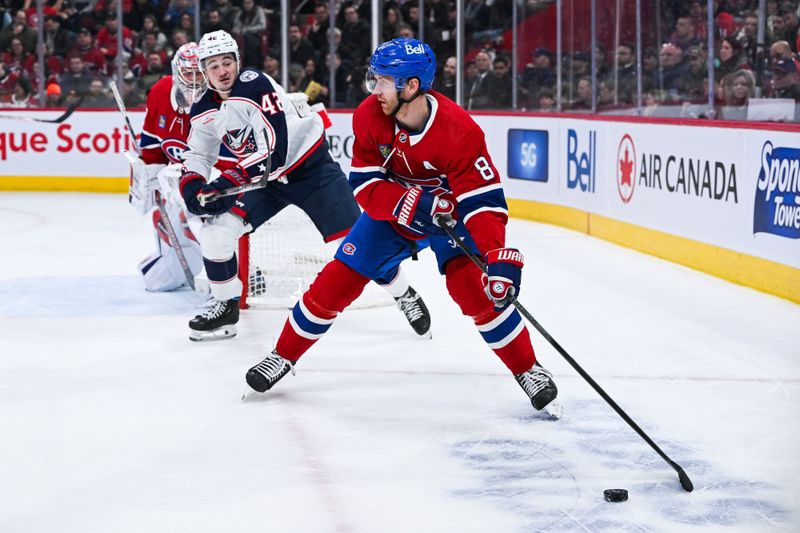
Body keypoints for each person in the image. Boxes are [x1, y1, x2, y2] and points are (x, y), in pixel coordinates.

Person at [244, 38, 559, 415]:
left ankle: (528, 369)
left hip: (450, 221)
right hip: (395, 216)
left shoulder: (461, 132)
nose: (374, 89)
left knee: (474, 291)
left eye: (383, 81)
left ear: (411, 86)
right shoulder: (368, 115)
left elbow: (483, 202)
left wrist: (495, 257)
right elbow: (363, 183)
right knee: (335, 282)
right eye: (373, 78)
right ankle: (283, 355)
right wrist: (409, 203)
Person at [179, 30, 431, 342]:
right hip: (266, 182)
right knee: (217, 233)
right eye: (214, 65)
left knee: (356, 247)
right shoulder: (204, 108)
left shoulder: (254, 84)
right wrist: (191, 185)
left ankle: (403, 294)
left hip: (311, 170)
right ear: (205, 72)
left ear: (238, 62)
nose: (222, 70)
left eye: (227, 62)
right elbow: (198, 153)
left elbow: (275, 149)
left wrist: (222, 185)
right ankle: (225, 307)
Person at [128, 42, 206, 293]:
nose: (194, 80)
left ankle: (239, 272)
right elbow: (151, 147)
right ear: (177, 72)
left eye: (199, 73)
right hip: (176, 188)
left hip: (209, 187)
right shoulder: (161, 91)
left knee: (202, 227)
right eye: (188, 73)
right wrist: (147, 179)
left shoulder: (218, 99)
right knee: (160, 281)